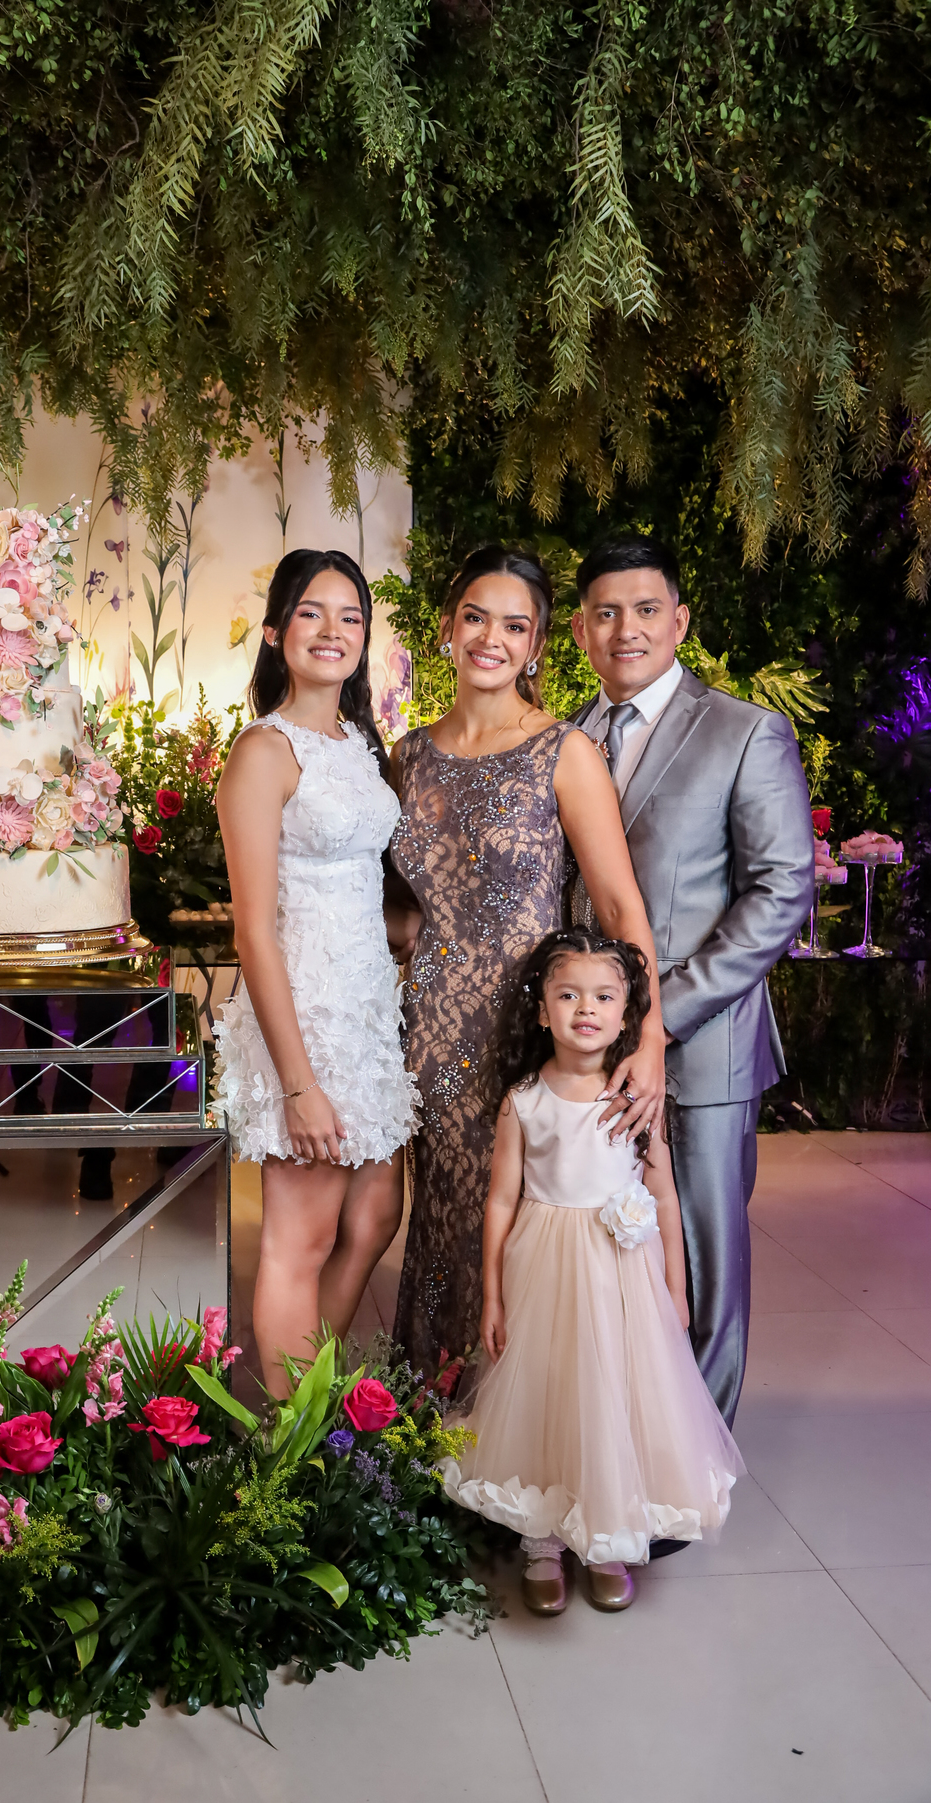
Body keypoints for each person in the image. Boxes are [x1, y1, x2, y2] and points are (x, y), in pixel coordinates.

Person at [388, 545, 667, 1380]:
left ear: (539, 643)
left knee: (521, 1222)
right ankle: (437, 1421)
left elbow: (619, 908)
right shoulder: (407, 756)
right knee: (443, 1218)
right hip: (430, 1035)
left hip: (528, 1033)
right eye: (476, 617)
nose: (492, 639)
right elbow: (400, 906)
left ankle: (519, 1426)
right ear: (448, 627)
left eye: (515, 625)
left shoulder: (565, 751)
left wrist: (648, 1038)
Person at [571, 531, 813, 1426]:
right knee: (606, 1245)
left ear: (679, 620)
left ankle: (695, 1461)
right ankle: (621, 1440)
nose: (625, 629)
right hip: (586, 1046)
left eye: (644, 609)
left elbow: (781, 891)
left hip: (703, 1045)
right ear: (581, 631)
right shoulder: (570, 736)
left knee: (705, 1263)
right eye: (605, 613)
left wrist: (660, 1017)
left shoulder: (745, 731)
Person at [442, 929, 744, 1616]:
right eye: (569, 994)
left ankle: (607, 1540)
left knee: (616, 1394)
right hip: (544, 1268)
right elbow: (500, 1199)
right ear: (541, 1008)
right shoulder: (524, 1099)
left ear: (627, 1011)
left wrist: (675, 1287)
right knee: (549, 1390)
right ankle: (542, 1542)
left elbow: (663, 1196)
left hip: (621, 1275)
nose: (586, 1008)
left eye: (605, 996)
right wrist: (492, 1294)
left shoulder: (636, 1098)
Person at [214, 548, 419, 1396]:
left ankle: (301, 1395)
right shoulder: (264, 751)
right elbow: (253, 931)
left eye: (351, 616)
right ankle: (295, 1437)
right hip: (303, 1018)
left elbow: (362, 884)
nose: (333, 630)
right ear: (275, 631)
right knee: (300, 1239)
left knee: (375, 1215)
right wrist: (298, 1084)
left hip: (366, 1012)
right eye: (311, 612)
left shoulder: (359, 742)